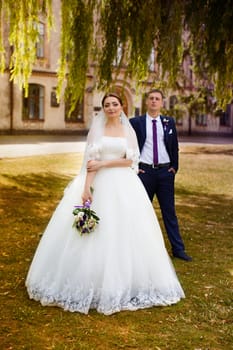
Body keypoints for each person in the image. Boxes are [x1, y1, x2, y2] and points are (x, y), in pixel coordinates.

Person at [26, 92, 185, 315]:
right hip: (99, 183)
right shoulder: (96, 130)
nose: (111, 108)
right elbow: (90, 163)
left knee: (126, 231)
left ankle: (129, 279)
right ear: (103, 109)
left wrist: (105, 164)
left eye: (115, 104)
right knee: (92, 234)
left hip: (123, 183)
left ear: (121, 107)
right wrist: (86, 189)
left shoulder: (127, 130)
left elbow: (131, 160)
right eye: (107, 105)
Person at [130, 89, 192, 261]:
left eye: (157, 99)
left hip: (165, 173)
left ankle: (178, 249)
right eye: (151, 98)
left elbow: (174, 147)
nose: (154, 101)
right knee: (141, 211)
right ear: (146, 102)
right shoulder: (136, 122)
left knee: (169, 212)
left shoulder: (169, 122)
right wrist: (135, 167)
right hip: (145, 172)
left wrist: (174, 168)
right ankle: (135, 247)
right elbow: (129, 146)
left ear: (162, 102)